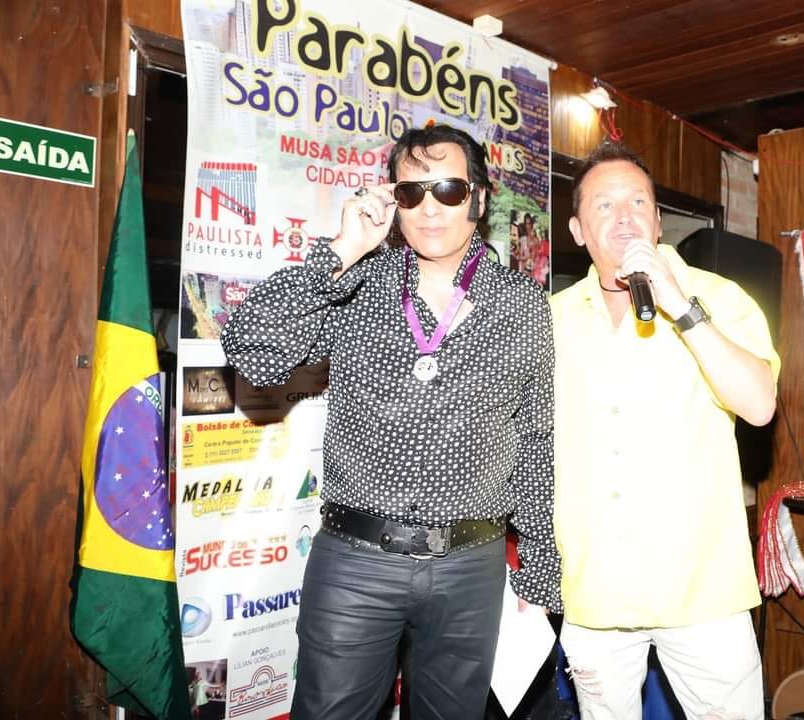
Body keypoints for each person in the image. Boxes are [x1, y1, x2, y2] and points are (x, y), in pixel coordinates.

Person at [221, 124, 560, 719]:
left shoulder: (522, 303)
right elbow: (254, 351)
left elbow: (536, 437)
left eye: (448, 190)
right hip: (356, 562)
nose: (429, 207)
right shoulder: (357, 282)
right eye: (411, 192)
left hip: (471, 566)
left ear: (479, 199)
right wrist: (341, 250)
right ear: (392, 202)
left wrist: (539, 565)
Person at [551, 142, 779, 720]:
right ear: (578, 230)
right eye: (604, 206)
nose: (624, 218)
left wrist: (682, 306)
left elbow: (759, 406)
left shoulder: (720, 297)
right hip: (594, 588)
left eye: (638, 203)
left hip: (702, 590)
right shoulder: (552, 317)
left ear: (657, 221)